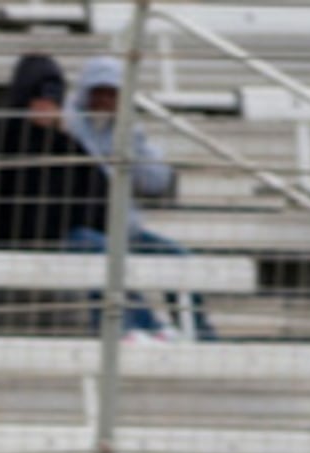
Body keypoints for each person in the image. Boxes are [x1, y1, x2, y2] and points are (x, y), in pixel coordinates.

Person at [62, 54, 209, 340]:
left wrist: (131, 146)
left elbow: (155, 182)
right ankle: (136, 329)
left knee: (179, 258)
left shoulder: (129, 129)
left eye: (112, 93)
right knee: (106, 253)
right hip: (83, 226)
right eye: (99, 92)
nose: (105, 100)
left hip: (125, 228)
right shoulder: (69, 125)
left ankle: (201, 335)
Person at [0, 55, 101, 256]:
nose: (47, 106)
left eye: (53, 98)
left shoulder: (68, 148)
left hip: (56, 252)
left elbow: (99, 201)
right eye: (40, 96)